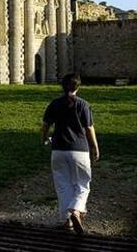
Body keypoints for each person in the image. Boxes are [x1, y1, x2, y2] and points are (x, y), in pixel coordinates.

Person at [41, 73, 99, 234]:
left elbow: (45, 125)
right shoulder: (83, 105)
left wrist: (44, 138)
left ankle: (67, 221)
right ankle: (76, 210)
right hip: (79, 150)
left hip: (58, 150)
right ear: (78, 87)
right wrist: (95, 146)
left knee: (63, 185)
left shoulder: (54, 104)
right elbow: (89, 128)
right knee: (82, 184)